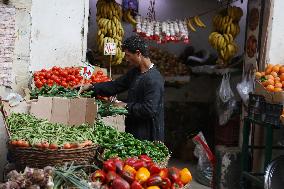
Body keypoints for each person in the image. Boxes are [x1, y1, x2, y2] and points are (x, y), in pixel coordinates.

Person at [81, 35, 165, 142]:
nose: (126, 59)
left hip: (148, 133)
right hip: (134, 127)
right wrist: (92, 86)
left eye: (128, 55)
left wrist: (125, 105)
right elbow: (115, 86)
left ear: (138, 53)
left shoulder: (154, 79)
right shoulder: (135, 72)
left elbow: (149, 109)